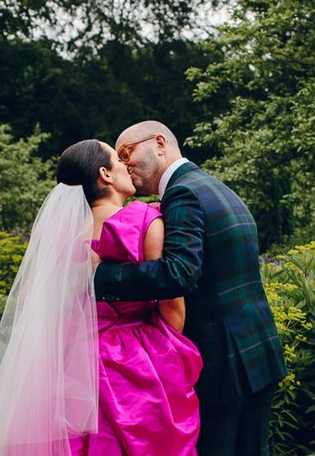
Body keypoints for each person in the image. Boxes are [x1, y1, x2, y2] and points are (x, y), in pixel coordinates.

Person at [0, 138, 201, 455]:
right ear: (105, 175)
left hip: (73, 360)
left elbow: (32, 303)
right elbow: (172, 309)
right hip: (137, 360)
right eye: (118, 161)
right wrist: (164, 360)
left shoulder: (61, 235)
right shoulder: (145, 222)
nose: (126, 166)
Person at [93, 121, 287, 456]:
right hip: (257, 353)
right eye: (119, 158)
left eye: (128, 152)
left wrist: (101, 278)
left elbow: (180, 274)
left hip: (223, 362)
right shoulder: (212, 185)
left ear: (158, 143)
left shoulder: (182, 193)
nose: (124, 164)